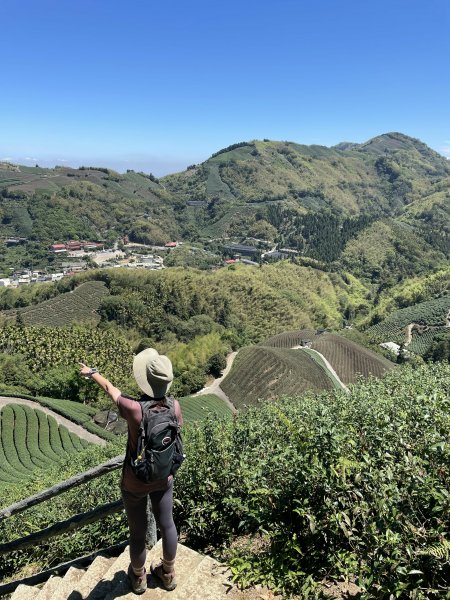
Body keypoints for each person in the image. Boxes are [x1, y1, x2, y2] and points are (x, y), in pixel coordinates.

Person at [79, 348, 183, 595]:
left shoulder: (134, 409)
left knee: (137, 532)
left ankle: (138, 578)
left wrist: (92, 372)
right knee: (167, 524)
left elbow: (110, 389)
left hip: (135, 480)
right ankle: (168, 573)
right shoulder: (176, 407)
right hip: (163, 477)